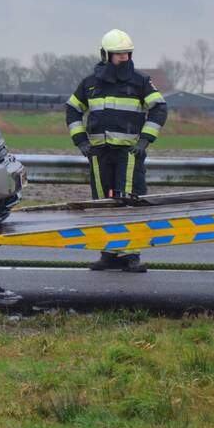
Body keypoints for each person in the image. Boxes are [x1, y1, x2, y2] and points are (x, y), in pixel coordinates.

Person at [66, 29, 168, 272]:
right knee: (102, 203)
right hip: (99, 154)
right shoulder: (89, 84)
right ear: (105, 55)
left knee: (129, 202)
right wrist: (81, 142)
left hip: (128, 154)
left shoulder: (140, 82)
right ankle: (109, 252)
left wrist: (144, 141)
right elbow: (72, 110)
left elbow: (159, 108)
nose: (124, 58)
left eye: (127, 54)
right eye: (118, 54)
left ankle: (131, 254)